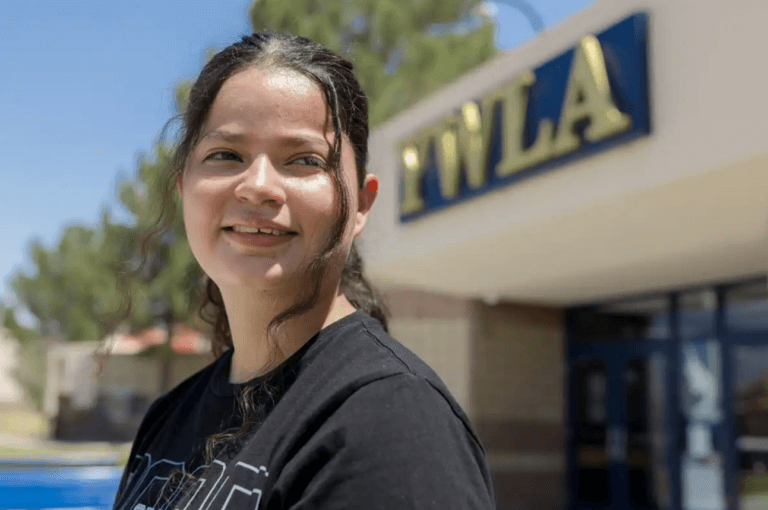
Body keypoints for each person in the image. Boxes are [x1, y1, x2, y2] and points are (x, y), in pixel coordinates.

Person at [112, 32, 495, 510]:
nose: (258, 187)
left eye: (304, 160)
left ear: (362, 204)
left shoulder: (391, 422)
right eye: (226, 155)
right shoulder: (168, 415)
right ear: (183, 188)